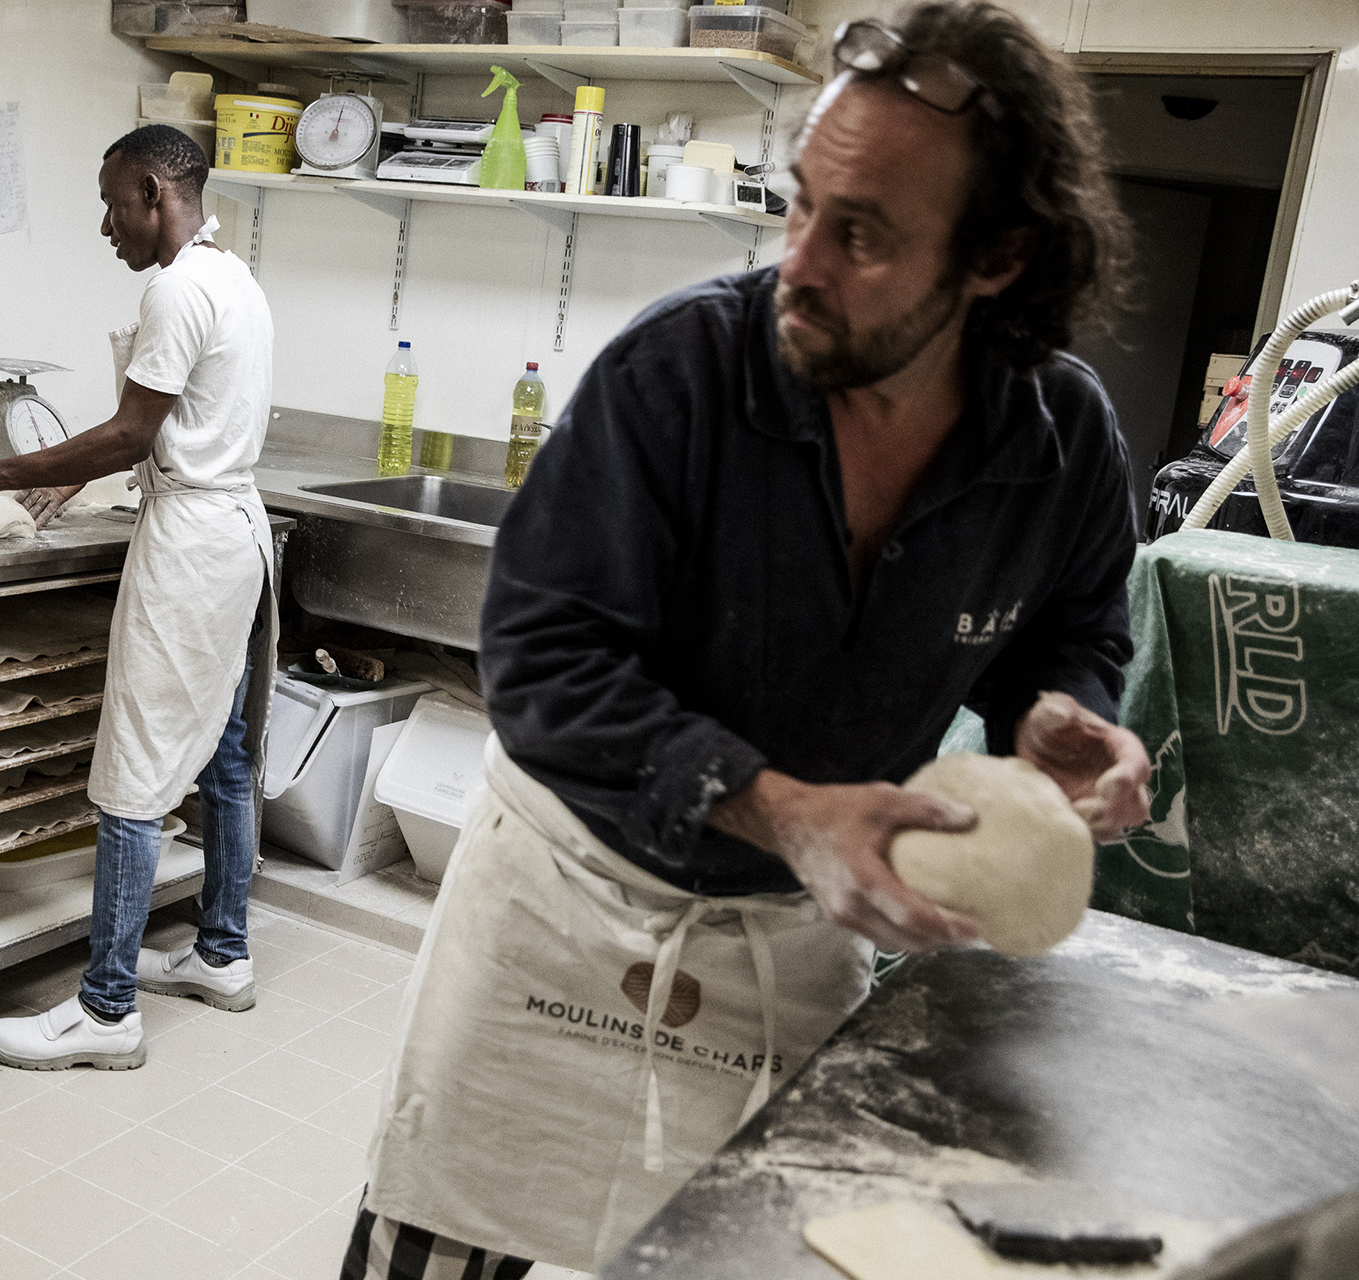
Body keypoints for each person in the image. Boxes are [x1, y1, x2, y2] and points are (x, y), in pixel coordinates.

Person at [342, 5, 1153, 1276]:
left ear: (996, 258)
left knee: (734, 1256)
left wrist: (1056, 714)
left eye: (864, 232)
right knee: (436, 1253)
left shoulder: (1059, 443)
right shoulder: (681, 375)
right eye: (800, 206)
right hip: (566, 888)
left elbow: (1071, 625)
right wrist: (783, 808)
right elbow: (543, 660)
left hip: (786, 933)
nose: (803, 262)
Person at [0, 124, 276, 1071]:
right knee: (225, 756)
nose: (106, 226)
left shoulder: (180, 287)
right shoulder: (234, 276)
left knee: (133, 777)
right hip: (235, 538)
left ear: (154, 191)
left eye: (113, 204)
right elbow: (156, 426)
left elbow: (131, 434)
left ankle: (106, 1010)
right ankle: (222, 955)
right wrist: (69, 473)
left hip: (191, 550)